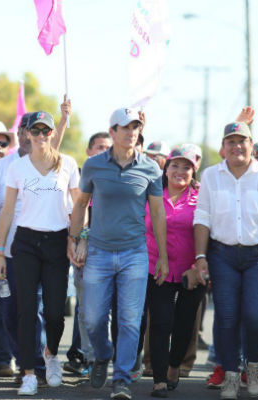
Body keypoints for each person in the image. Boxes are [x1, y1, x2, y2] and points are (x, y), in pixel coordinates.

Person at [69, 107, 168, 400]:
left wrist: (162, 255)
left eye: (135, 127)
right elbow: (81, 204)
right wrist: (75, 239)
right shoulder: (93, 165)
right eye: (125, 127)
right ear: (112, 131)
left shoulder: (150, 168)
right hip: (98, 251)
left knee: (129, 320)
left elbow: (158, 213)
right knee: (93, 318)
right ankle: (103, 355)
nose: (131, 132)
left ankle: (122, 379)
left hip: (134, 254)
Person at [193, 122, 258, 399]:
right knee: (226, 317)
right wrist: (201, 257)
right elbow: (202, 219)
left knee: (257, 317)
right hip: (222, 255)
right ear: (224, 146)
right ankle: (232, 374)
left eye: (242, 141)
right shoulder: (212, 175)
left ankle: (254, 364)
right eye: (230, 141)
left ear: (251, 143)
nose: (236, 146)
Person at [0, 110, 80, 396]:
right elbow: (7, 211)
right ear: (27, 134)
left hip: (58, 241)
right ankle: (28, 372)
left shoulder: (67, 164)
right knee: (26, 310)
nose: (41, 136)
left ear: (53, 133)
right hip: (26, 242)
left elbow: (79, 206)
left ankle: (51, 354)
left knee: (55, 313)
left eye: (46, 131)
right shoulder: (17, 168)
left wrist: (76, 238)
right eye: (36, 131)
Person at [0, 112, 47, 383]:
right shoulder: (1, 168)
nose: (35, 136)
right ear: (20, 133)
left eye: (42, 131)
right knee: (9, 312)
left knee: (38, 311)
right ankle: (24, 361)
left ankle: (35, 367)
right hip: (7, 254)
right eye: (30, 130)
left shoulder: (54, 165)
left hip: (43, 253)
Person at [146, 144, 205, 398]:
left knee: (184, 325)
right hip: (155, 267)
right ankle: (159, 379)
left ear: (194, 171)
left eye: (186, 167)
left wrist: (198, 266)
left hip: (191, 272)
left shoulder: (202, 197)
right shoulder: (152, 194)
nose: (180, 171)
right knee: (160, 322)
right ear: (166, 168)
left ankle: (174, 365)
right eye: (175, 165)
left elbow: (210, 233)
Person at [64, 131, 113, 376]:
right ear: (89, 151)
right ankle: (90, 358)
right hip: (83, 250)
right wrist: (79, 240)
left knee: (107, 310)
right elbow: (75, 211)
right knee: (85, 309)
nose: (104, 151)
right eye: (100, 147)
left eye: (108, 147)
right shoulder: (79, 177)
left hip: (113, 250)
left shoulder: (117, 176)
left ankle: (106, 357)